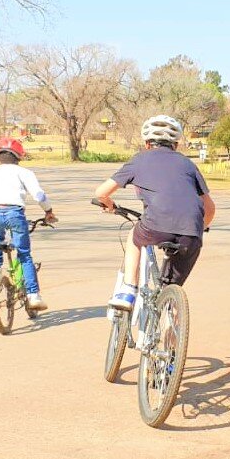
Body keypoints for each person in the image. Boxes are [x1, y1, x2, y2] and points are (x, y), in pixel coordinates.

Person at [94, 114, 216, 311]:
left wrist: (109, 205)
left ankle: (128, 289)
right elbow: (209, 208)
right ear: (176, 144)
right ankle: (171, 333)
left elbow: (101, 193)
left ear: (147, 143)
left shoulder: (139, 160)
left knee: (134, 236)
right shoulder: (188, 165)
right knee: (170, 292)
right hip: (191, 233)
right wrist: (200, 227)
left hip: (156, 225)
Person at [0, 136, 57, 311]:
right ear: (18, 157)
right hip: (15, 213)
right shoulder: (24, 173)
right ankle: (33, 296)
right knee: (24, 254)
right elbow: (39, 195)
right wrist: (48, 212)